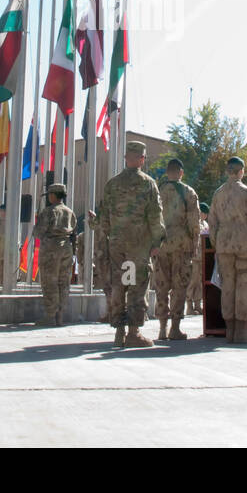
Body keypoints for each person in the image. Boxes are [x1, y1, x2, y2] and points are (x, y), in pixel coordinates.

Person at [93, 140, 164, 347]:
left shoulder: (112, 184)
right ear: (142, 159)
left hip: (117, 246)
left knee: (120, 284)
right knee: (137, 286)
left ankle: (119, 331)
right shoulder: (147, 183)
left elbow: (103, 217)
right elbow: (155, 216)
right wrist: (157, 241)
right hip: (138, 247)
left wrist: (110, 238)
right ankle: (133, 332)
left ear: (126, 158)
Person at [209, 155, 247, 344]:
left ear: (228, 171)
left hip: (224, 247)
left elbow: (212, 223)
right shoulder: (246, 192)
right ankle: (241, 331)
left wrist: (217, 244)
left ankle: (230, 331)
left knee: (227, 286)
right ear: (241, 171)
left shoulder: (218, 193)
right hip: (245, 246)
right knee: (243, 287)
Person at [153, 157, 201, 340]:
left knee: (162, 285)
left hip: (162, 244)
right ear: (181, 172)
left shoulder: (157, 192)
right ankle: (175, 328)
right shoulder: (188, 192)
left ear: (167, 172)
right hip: (182, 245)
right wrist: (194, 245)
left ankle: (162, 328)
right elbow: (194, 223)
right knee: (179, 286)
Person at [34, 183, 77, 326]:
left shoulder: (48, 212)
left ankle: (50, 316)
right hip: (67, 248)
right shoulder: (70, 212)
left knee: (49, 281)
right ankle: (60, 316)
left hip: (51, 248)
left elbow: (38, 233)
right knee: (63, 282)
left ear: (53, 195)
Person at [186, 203, 208, 315]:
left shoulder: (205, 224)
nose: (205, 216)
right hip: (194, 257)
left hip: (202, 257)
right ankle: (189, 306)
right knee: (192, 282)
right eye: (204, 213)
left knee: (199, 282)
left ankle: (198, 305)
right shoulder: (194, 223)